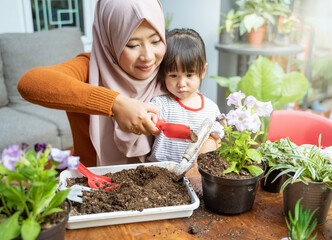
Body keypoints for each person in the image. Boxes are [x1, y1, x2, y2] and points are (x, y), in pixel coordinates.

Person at [17, 0, 167, 167]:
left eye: (155, 41)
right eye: (132, 45)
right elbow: (30, 82)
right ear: (110, 41)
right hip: (92, 179)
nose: (147, 56)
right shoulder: (90, 68)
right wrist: (115, 104)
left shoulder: (171, 68)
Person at [147, 28, 224, 165]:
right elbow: (149, 115)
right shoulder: (161, 104)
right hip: (161, 172)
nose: (181, 84)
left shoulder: (211, 109)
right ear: (163, 73)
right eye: (173, 75)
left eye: (189, 75)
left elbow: (216, 141)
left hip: (195, 175)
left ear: (203, 71)